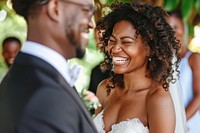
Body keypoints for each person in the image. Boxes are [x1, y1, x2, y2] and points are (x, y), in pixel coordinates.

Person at [0, 0, 97, 132]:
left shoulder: (23, 77)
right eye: (87, 11)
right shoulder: (45, 98)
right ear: (55, 8)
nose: (91, 24)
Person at [93, 2, 186, 133]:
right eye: (112, 40)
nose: (114, 48)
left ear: (149, 48)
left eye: (126, 42)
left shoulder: (157, 100)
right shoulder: (104, 90)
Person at [168, 10, 200, 133]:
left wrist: (179, 124)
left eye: (176, 26)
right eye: (168, 28)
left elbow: (199, 97)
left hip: (190, 124)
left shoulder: (193, 58)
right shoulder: (165, 63)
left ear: (184, 27)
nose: (173, 32)